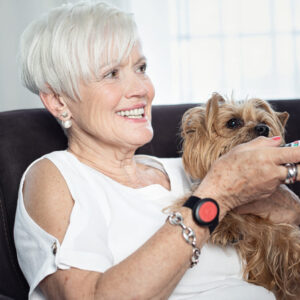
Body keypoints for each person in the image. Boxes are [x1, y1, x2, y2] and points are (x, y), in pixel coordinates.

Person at [14, 2, 300, 299]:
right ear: (59, 101)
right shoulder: (58, 176)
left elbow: (283, 231)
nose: (141, 88)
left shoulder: (190, 171)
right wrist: (217, 195)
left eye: (141, 68)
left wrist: (289, 207)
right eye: (111, 73)